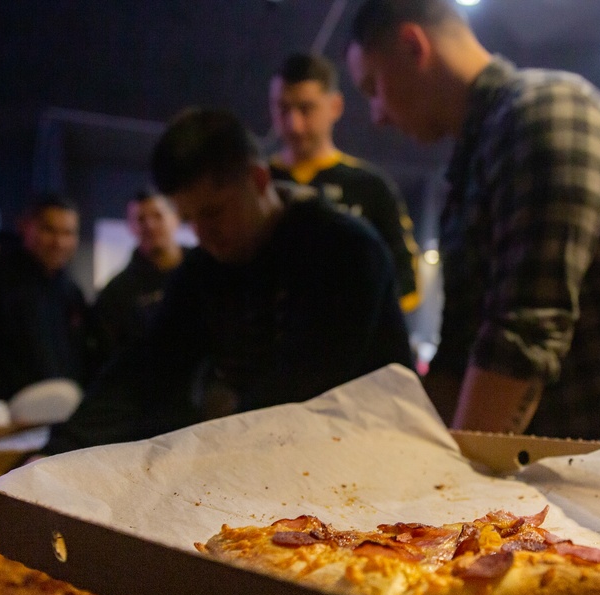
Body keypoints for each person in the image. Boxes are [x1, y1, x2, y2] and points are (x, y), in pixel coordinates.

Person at [345, 0, 600, 441]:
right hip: (569, 467)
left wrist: (447, 483)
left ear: (412, 45)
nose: (376, 115)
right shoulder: (478, 152)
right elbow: (459, 349)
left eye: (372, 86)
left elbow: (523, 337)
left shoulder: (544, 110)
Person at [42, 108, 412, 455]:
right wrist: (56, 454)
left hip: (371, 457)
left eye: (214, 212)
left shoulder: (343, 249)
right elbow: (146, 367)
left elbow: (305, 383)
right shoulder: (204, 269)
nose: (204, 235)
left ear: (258, 179)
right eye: (189, 220)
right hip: (265, 457)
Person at [269, 52, 421, 313]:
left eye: (306, 109)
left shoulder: (370, 187)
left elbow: (405, 279)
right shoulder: (257, 182)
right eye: (283, 109)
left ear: (335, 107)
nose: (293, 125)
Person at [0, 194, 92, 400]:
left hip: (61, 416)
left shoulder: (70, 291)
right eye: (49, 230)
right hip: (2, 418)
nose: (59, 242)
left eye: (68, 233)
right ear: (25, 227)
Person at [92, 188, 183, 364]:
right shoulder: (116, 293)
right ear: (131, 226)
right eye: (141, 219)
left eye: (158, 216)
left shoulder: (204, 271)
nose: (150, 225)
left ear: (176, 218)